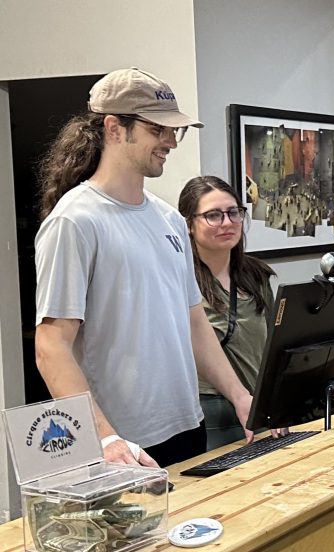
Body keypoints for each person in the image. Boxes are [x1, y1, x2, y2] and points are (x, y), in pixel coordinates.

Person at [34, 68, 255, 468]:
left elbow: (194, 325)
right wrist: (105, 438)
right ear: (114, 128)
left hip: (188, 426)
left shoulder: (169, 220)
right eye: (158, 130)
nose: (171, 142)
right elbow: (51, 347)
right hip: (123, 447)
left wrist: (241, 397)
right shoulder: (76, 221)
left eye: (175, 131)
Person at [178, 176, 289, 449]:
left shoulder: (256, 275)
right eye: (212, 216)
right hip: (212, 414)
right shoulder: (181, 280)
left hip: (260, 409)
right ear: (188, 224)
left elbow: (275, 344)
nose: (227, 223)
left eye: (233, 213)